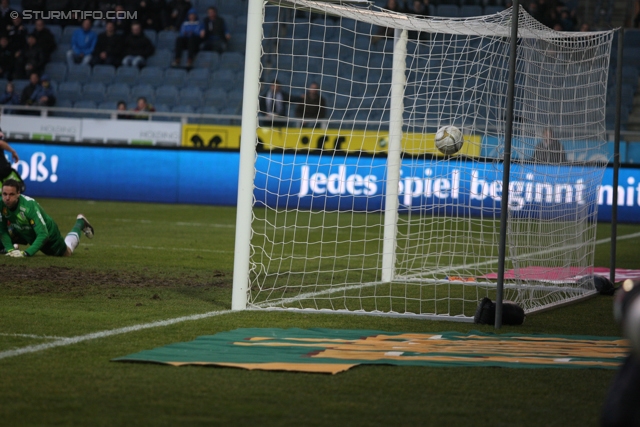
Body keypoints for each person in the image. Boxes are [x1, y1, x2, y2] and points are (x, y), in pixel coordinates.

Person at [1, 179, 94, 257]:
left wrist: (26, 253)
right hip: (22, 230)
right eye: (4, 194)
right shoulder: (1, 203)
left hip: (48, 234)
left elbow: (43, 235)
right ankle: (12, 247)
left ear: (18, 194)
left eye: (11, 194)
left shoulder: (29, 207)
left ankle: (80, 223)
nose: (7, 198)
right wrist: (10, 250)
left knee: (67, 252)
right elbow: (2, 230)